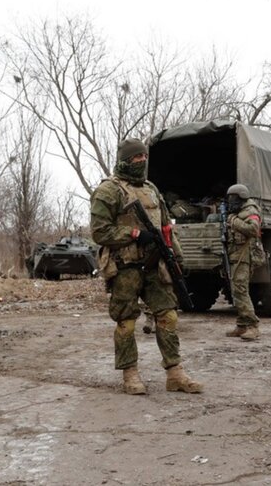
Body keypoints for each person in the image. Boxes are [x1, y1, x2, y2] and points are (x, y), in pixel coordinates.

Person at [90, 138, 203, 395]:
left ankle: (175, 373)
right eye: (136, 157)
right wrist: (134, 234)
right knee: (126, 321)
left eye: (144, 156)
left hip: (155, 264)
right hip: (125, 266)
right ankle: (130, 374)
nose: (142, 161)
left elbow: (166, 227)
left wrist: (177, 257)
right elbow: (99, 232)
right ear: (124, 160)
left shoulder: (151, 189)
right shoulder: (108, 190)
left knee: (168, 316)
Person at [223, 184, 264, 341]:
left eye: (233, 198)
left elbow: (253, 229)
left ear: (241, 197)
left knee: (240, 288)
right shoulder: (237, 212)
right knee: (236, 290)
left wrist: (233, 221)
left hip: (245, 256)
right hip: (236, 255)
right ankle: (242, 324)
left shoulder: (250, 211)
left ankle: (253, 325)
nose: (230, 201)